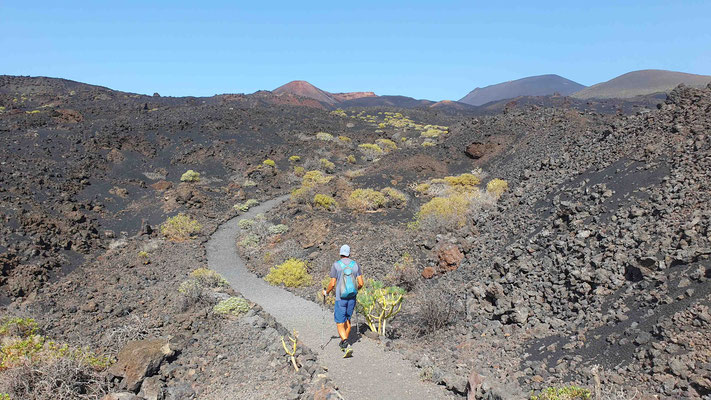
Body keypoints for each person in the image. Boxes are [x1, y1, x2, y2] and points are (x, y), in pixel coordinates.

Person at [323, 244, 364, 353]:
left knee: (340, 322)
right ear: (349, 253)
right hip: (352, 297)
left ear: (340, 253)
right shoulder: (355, 265)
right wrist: (354, 290)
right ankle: (344, 342)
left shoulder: (336, 265)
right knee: (347, 319)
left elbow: (332, 284)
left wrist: (326, 292)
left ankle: (345, 342)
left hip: (340, 298)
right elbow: (361, 283)